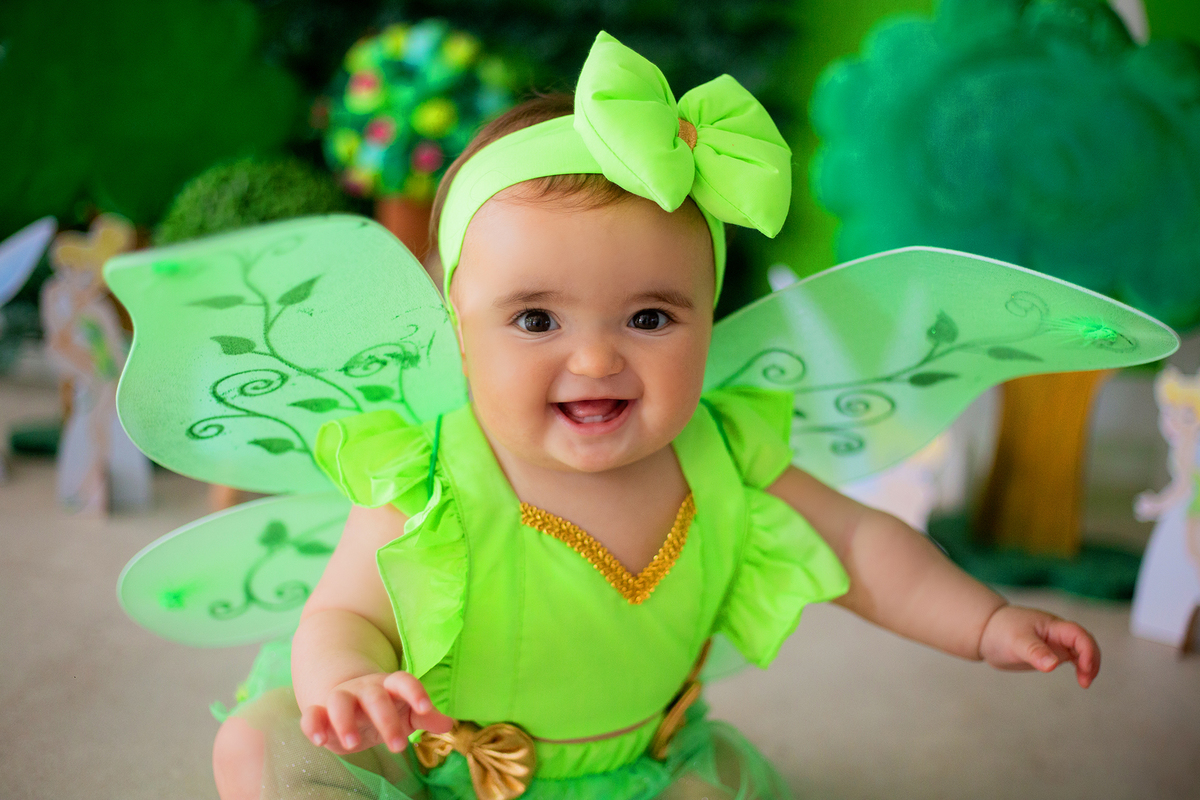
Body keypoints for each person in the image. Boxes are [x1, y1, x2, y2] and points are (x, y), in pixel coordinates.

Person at [210, 33, 1099, 800]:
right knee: (261, 747)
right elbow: (345, 615)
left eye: (649, 318)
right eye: (536, 320)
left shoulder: (729, 456)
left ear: (708, 318)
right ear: (458, 334)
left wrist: (984, 623)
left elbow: (863, 548)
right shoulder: (429, 475)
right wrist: (349, 682)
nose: (596, 360)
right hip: (428, 751)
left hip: (630, 766)